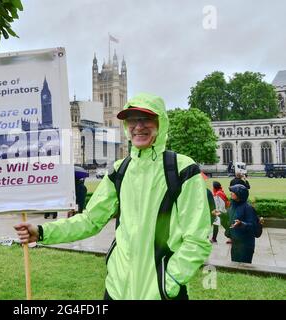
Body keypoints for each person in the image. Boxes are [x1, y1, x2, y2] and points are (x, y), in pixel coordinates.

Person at [14, 93, 212, 300]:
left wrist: (169, 280)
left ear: (160, 122)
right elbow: (90, 220)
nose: (138, 126)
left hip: (161, 292)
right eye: (132, 120)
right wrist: (42, 231)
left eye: (146, 119)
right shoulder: (120, 170)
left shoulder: (182, 169)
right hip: (117, 289)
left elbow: (197, 238)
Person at [223, 184, 260, 263]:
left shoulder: (248, 208)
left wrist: (241, 224)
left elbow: (252, 226)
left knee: (244, 267)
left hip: (246, 244)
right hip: (235, 243)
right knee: (235, 265)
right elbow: (228, 222)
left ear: (240, 194)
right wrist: (221, 215)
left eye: (233, 192)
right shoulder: (232, 206)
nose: (231, 193)